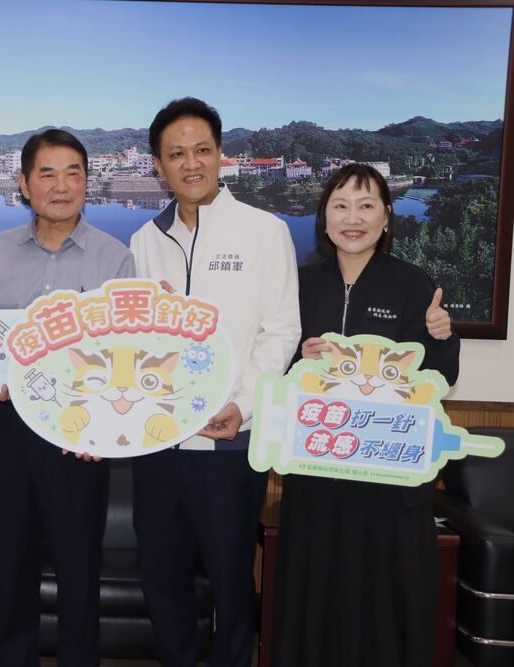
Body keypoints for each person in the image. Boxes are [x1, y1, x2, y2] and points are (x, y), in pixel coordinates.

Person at [129, 97, 301, 666]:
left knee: (231, 582)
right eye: (176, 154)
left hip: (229, 443)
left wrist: (244, 405)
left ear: (221, 155)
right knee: (162, 579)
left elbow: (281, 331)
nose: (191, 163)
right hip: (157, 445)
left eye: (202, 150)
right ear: (159, 165)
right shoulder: (144, 240)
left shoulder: (264, 231)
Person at [271, 163, 458, 667]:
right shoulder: (299, 283)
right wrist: (298, 361)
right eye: (340, 205)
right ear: (325, 217)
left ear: (386, 216)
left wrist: (443, 338)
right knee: (314, 595)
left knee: (383, 602)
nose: (353, 218)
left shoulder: (414, 285)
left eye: (366, 205)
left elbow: (440, 378)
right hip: (317, 471)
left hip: (388, 479)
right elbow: (273, 369)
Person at [0, 129, 135, 666]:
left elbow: (125, 354)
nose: (61, 186)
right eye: (47, 174)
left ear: (87, 182)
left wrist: (102, 426)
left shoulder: (115, 259)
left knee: (78, 563)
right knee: (13, 556)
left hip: (80, 432)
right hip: (13, 425)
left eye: (73, 174)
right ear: (24, 184)